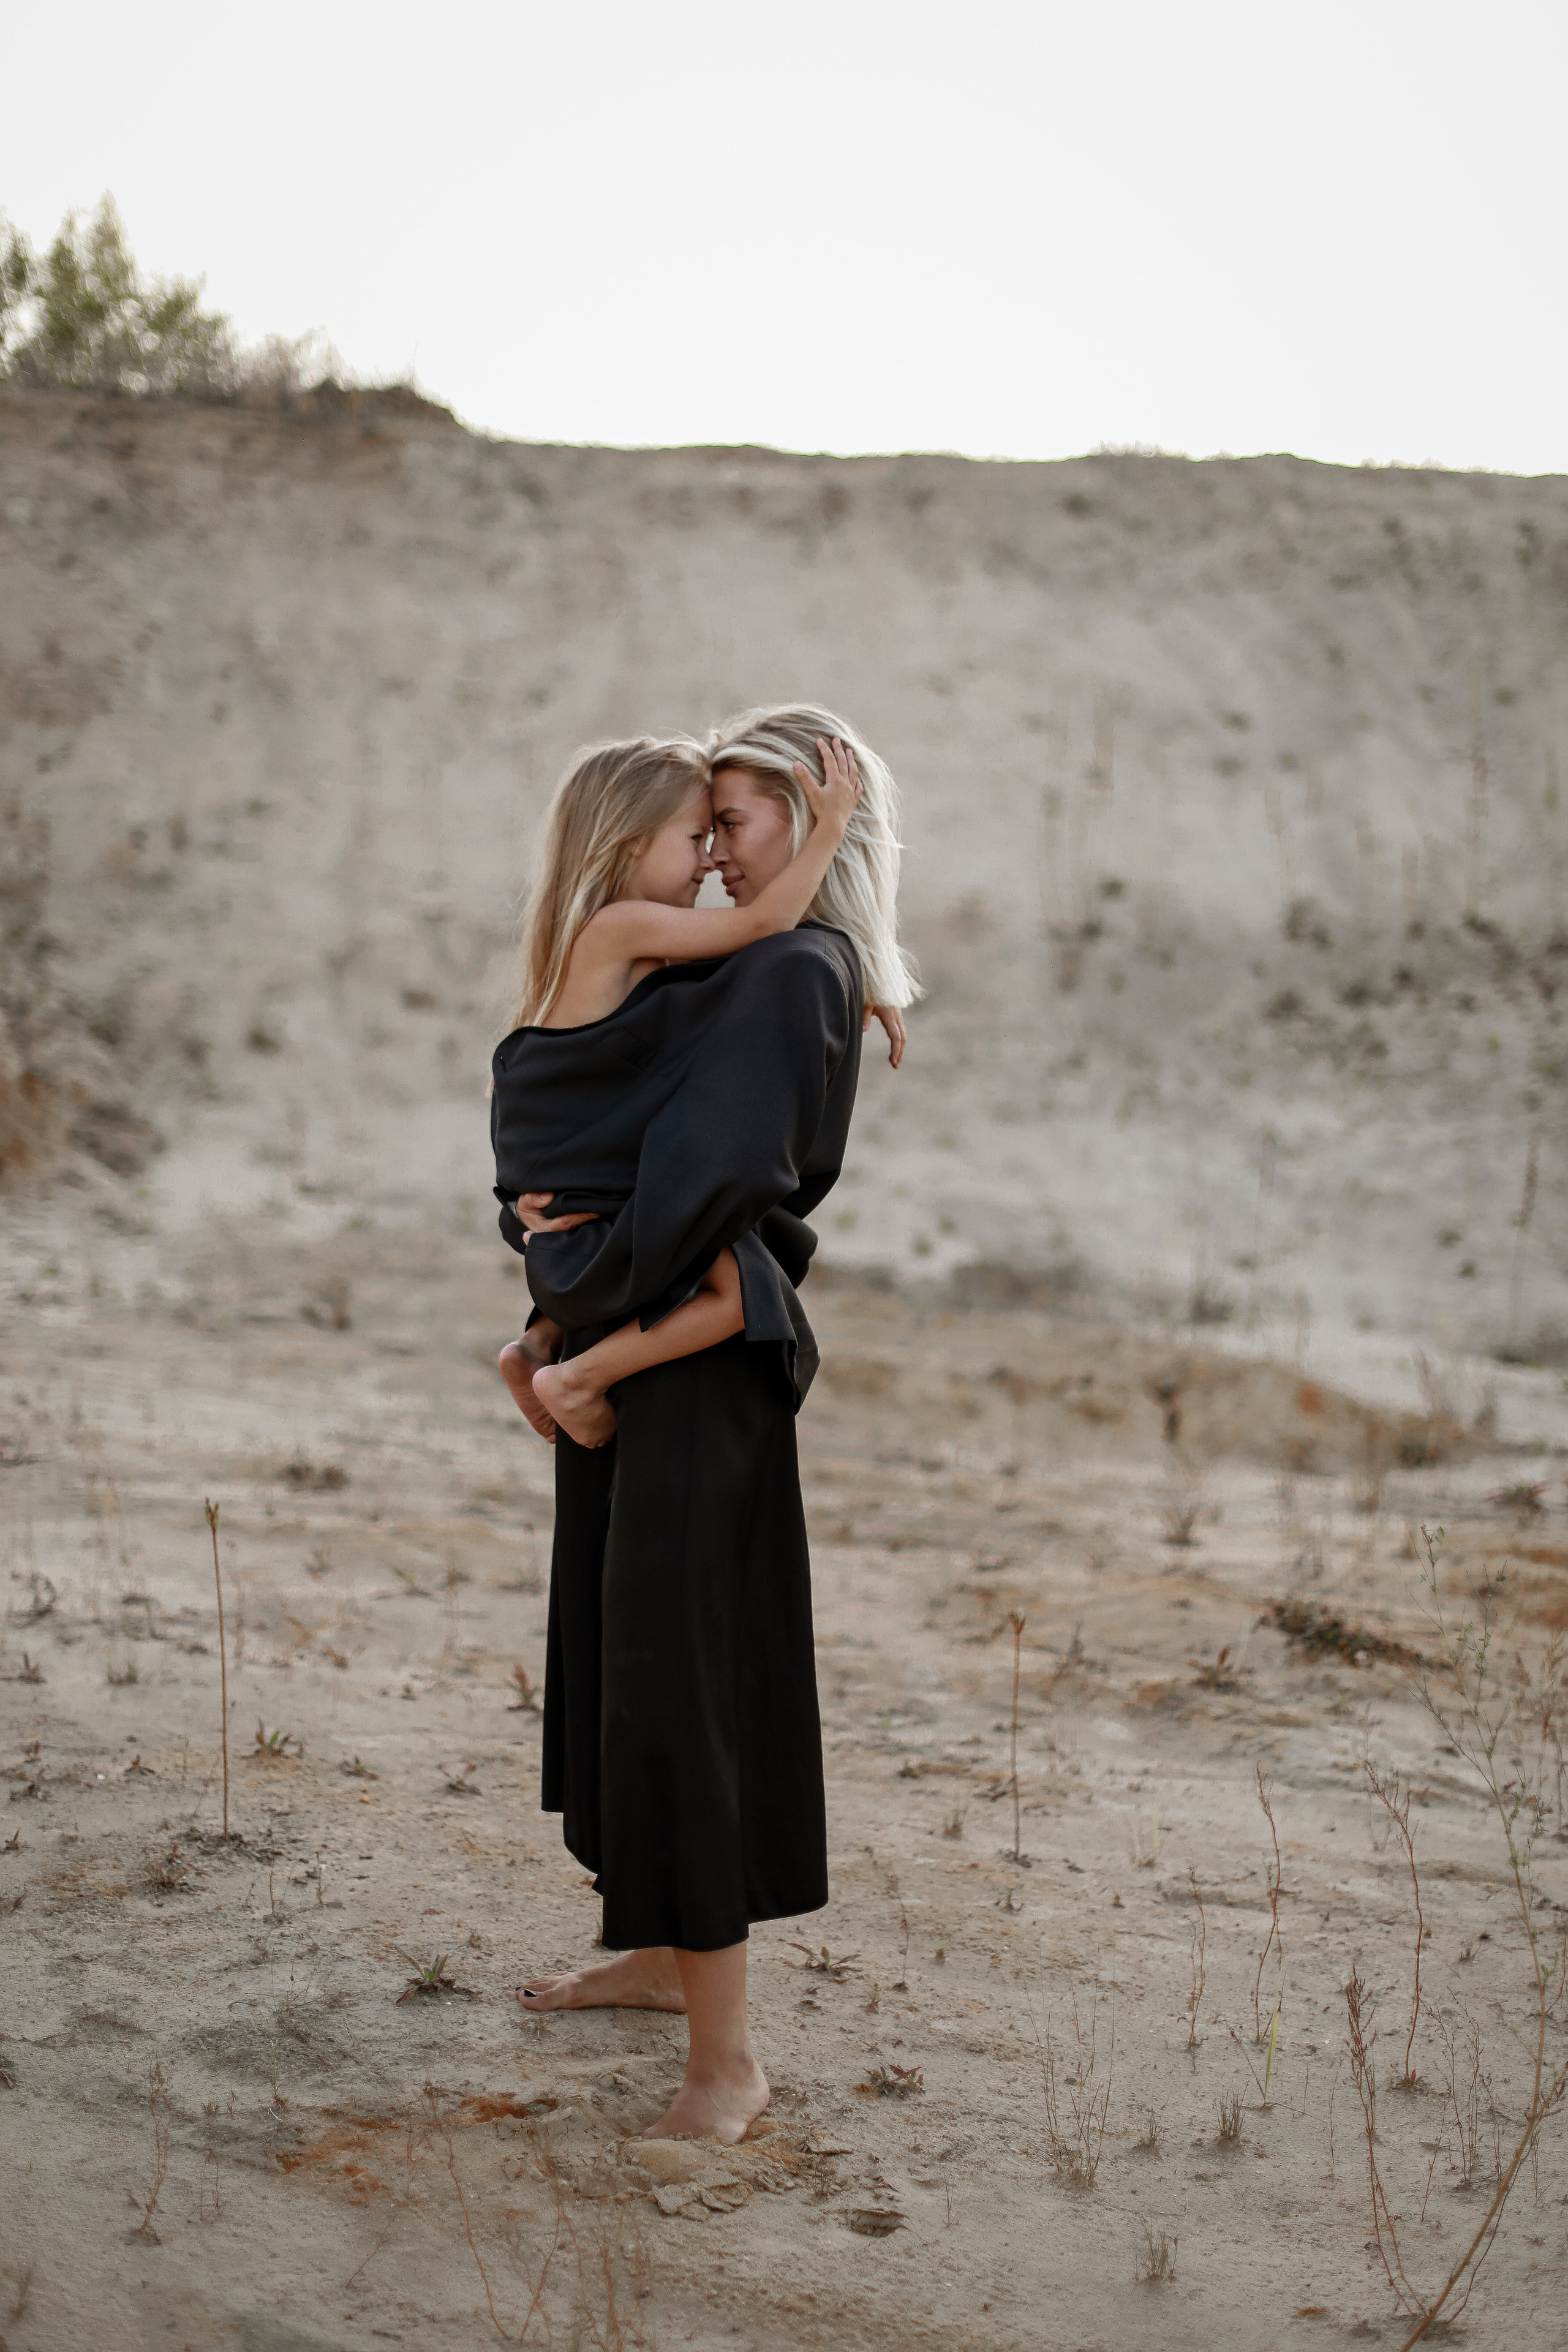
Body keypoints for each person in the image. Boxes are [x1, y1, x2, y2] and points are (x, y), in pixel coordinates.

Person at [501, 705, 920, 2144]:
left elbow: (716, 1187)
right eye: (712, 823)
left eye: (737, 822)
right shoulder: (747, 960)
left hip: (688, 1364)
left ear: (811, 830)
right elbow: (607, 1116)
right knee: (621, 1661)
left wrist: (578, 1288)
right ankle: (661, 1955)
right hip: (632, 1342)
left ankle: (725, 2060)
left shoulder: (792, 965)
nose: (722, 853)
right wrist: (540, 1231)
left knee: (683, 1684)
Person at [494, 731, 862, 1449]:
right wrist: (831, 829)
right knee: (740, 1296)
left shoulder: (640, 939)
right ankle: (579, 1377)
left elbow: (742, 978)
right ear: (630, 842)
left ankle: (538, 1345)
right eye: (697, 837)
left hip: (578, 1152)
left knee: (643, 1250)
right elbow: (765, 926)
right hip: (583, 1154)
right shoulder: (622, 927)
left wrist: (868, 991)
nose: (709, 861)